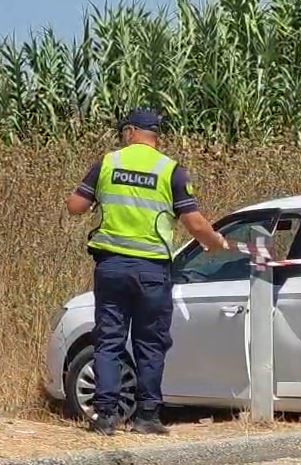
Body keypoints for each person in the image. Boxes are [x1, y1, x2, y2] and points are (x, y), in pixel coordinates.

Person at [66, 108, 230, 436]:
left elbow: (75, 206)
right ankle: (147, 417)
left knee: (109, 340)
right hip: (152, 271)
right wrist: (214, 242)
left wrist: (100, 199)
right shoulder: (172, 171)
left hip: (112, 267)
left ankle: (106, 417)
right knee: (151, 343)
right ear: (157, 136)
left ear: (129, 132)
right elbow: (194, 222)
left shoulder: (108, 164)